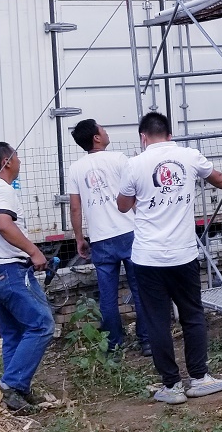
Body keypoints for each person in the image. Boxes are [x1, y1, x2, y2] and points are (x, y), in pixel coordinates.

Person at [117, 112, 222, 404]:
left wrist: (144, 196)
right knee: (192, 315)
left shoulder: (134, 164)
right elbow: (217, 178)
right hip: (183, 254)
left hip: (148, 257)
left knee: (157, 321)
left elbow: (123, 206)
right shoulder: (189, 156)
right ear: (170, 135)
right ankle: (200, 378)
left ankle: (171, 386)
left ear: (143, 137)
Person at [0, 142, 54, 413]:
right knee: (42, 325)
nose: (20, 161)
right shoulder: (3, 189)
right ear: (6, 161)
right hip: (8, 272)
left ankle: (16, 391)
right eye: (16, 157)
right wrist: (34, 251)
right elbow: (4, 224)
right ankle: (11, 385)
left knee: (13, 333)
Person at [68, 119, 149, 356]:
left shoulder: (75, 169)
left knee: (107, 296)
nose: (105, 131)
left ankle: (113, 345)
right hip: (129, 233)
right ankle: (147, 341)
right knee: (141, 289)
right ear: (96, 137)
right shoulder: (119, 159)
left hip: (100, 239)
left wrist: (79, 238)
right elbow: (136, 193)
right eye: (102, 129)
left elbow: (75, 207)